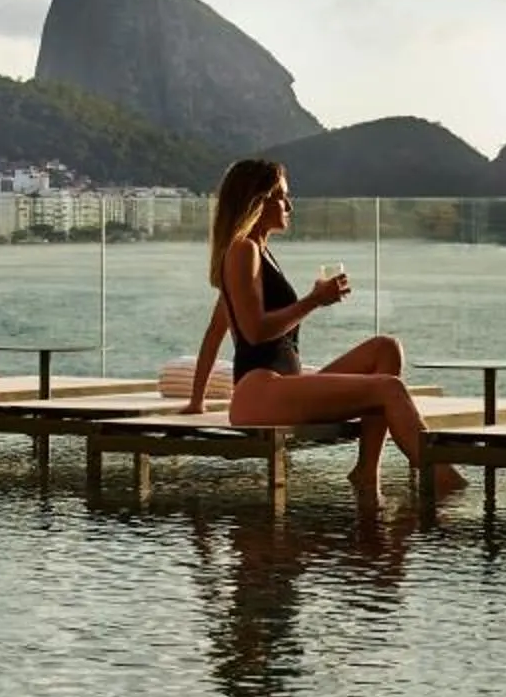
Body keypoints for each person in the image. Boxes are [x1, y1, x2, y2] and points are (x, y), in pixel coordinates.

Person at [182, 157, 465, 507]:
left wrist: (197, 400)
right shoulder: (243, 250)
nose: (289, 204)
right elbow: (254, 332)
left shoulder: (259, 252)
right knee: (389, 389)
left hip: (283, 385)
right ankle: (444, 483)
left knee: (385, 350)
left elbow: (217, 330)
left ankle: (367, 471)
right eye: (282, 196)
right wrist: (314, 300)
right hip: (260, 391)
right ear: (259, 200)